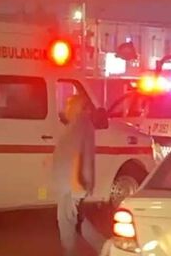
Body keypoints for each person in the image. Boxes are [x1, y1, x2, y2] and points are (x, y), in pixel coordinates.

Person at [53, 94, 105, 256]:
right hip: (73, 183)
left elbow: (75, 153)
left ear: (76, 107)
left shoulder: (79, 124)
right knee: (79, 220)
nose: (66, 109)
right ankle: (105, 248)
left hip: (70, 185)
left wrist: (75, 182)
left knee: (66, 222)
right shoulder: (82, 124)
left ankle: (69, 252)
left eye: (69, 105)